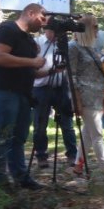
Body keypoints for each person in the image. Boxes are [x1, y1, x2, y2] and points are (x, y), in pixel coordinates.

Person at [0, 3, 48, 190]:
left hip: (22, 93)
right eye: (42, 18)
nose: (44, 23)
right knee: (3, 136)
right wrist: (32, 61)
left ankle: (20, 176)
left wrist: (50, 71)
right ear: (30, 13)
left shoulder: (28, 40)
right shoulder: (7, 29)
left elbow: (30, 71)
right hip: (4, 91)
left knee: (19, 137)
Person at [68, 14, 104, 174]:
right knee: (97, 133)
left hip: (96, 94)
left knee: (88, 133)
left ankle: (78, 165)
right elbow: (71, 75)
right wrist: (77, 99)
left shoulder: (90, 47)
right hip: (85, 96)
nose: (98, 30)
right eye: (95, 26)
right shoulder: (73, 47)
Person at [32, 28, 77, 169]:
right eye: (53, 29)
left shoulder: (64, 45)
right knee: (40, 124)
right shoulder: (36, 43)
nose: (56, 33)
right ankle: (41, 155)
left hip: (61, 87)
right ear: (46, 29)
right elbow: (32, 67)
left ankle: (72, 154)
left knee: (67, 123)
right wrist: (51, 70)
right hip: (41, 88)